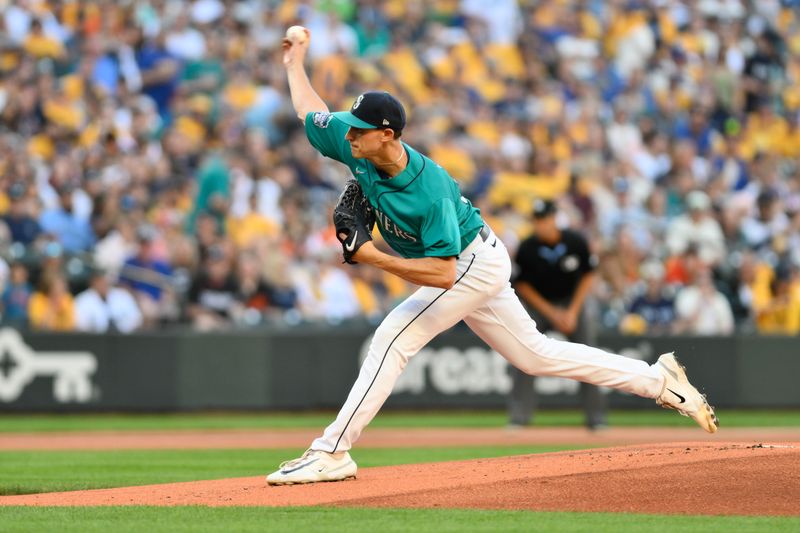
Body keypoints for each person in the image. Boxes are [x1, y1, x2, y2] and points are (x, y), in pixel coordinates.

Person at [266, 27, 718, 486]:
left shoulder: (431, 191)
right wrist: (294, 65)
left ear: (387, 134)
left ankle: (332, 451)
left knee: (393, 338)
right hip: (477, 260)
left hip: (468, 263)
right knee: (536, 356)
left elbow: (443, 274)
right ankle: (658, 380)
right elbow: (311, 113)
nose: (351, 135)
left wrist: (372, 256)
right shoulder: (351, 137)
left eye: (361, 129)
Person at [508, 199, 607, 430]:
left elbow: (588, 275)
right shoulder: (527, 247)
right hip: (540, 308)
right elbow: (522, 286)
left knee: (588, 357)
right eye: (537, 220)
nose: (541, 224)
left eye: (545, 219)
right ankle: (519, 416)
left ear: (554, 218)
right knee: (523, 356)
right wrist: (552, 313)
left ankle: (596, 418)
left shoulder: (575, 241)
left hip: (572, 304)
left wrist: (572, 311)